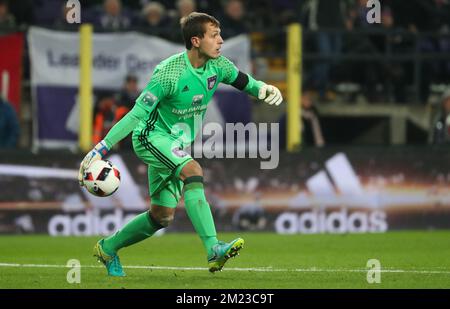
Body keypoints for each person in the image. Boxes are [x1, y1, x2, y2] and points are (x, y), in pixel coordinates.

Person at [78, 12, 283, 276]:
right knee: (193, 170)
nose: (221, 40)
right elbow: (137, 114)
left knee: (161, 216)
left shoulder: (218, 65)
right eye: (214, 35)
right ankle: (213, 249)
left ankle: (107, 248)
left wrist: (263, 89)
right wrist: (101, 148)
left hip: (175, 143)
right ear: (196, 41)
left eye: (220, 34)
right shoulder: (168, 73)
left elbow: (243, 81)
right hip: (150, 137)